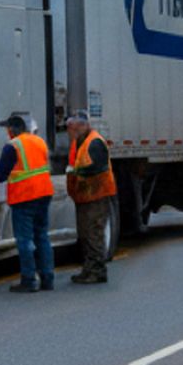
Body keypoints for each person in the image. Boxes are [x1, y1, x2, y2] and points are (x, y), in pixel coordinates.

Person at [0, 115, 54, 293]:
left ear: (11, 130)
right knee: (42, 235)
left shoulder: (13, 146)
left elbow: (1, 174)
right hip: (44, 193)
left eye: (6, 129)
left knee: (24, 240)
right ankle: (48, 278)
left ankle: (29, 279)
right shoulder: (40, 142)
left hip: (25, 196)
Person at [64, 111, 115, 284]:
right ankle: (89, 269)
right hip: (86, 196)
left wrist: (77, 172)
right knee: (85, 234)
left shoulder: (94, 142)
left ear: (81, 126)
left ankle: (97, 270)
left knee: (94, 233)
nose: (70, 132)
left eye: (72, 128)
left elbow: (98, 167)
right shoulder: (81, 141)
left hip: (96, 195)